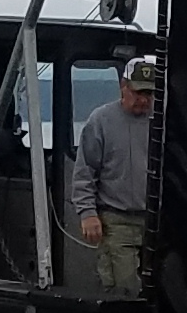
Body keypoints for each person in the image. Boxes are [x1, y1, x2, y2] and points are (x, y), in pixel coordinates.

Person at [68, 58, 159, 297]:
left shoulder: (161, 122)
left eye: (149, 93)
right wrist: (88, 214)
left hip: (156, 223)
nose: (144, 100)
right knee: (124, 289)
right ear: (123, 87)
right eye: (138, 92)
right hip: (117, 220)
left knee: (160, 291)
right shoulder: (100, 121)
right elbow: (84, 172)